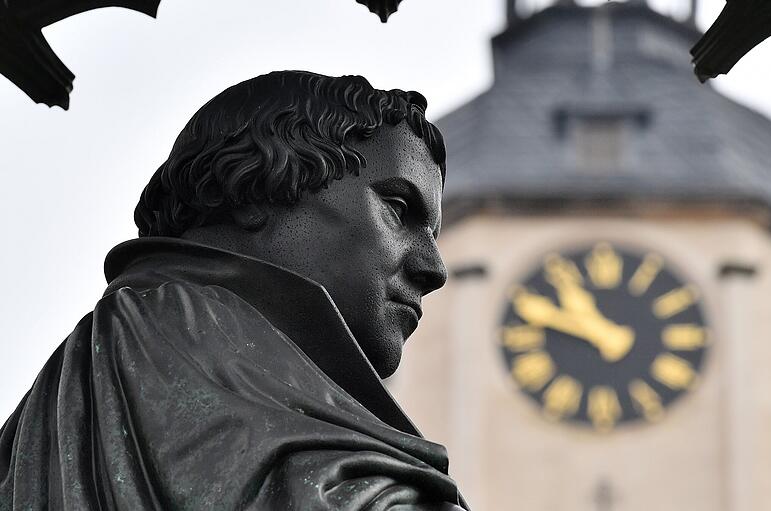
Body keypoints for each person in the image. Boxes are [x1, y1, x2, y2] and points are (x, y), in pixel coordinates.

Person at [0, 71, 469, 510]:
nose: (434, 268)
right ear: (256, 191)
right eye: (397, 208)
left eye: (433, 234)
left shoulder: (121, 357)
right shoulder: (164, 332)